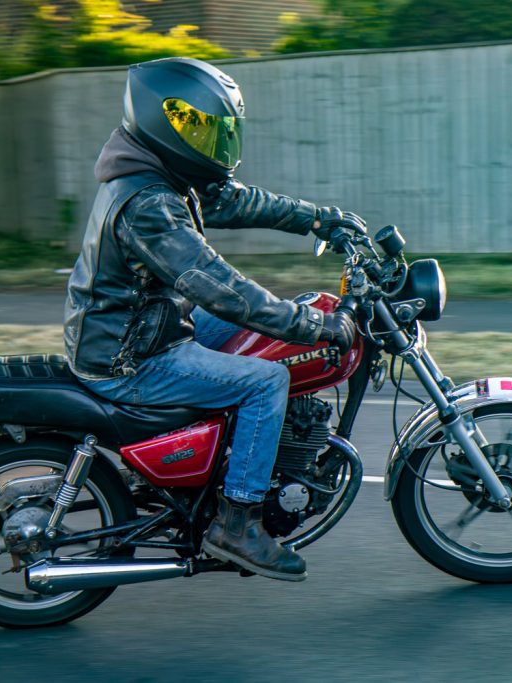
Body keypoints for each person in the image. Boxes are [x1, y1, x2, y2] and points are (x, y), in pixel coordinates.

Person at [64, 57, 365, 582]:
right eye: (200, 129)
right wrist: (312, 326)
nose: (214, 143)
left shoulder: (160, 170)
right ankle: (238, 522)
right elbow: (219, 287)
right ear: (167, 124)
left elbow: (236, 200)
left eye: (221, 131)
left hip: (141, 325)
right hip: (128, 356)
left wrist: (319, 219)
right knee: (266, 378)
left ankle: (213, 464)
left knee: (266, 331)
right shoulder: (149, 203)